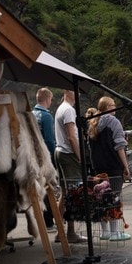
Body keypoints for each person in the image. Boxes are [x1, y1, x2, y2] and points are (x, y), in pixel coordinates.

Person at [88, 96, 131, 241]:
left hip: (98, 167)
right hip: (113, 167)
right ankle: (114, 233)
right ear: (107, 108)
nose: (115, 107)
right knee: (114, 198)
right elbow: (119, 147)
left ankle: (104, 232)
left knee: (101, 197)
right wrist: (125, 166)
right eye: (113, 105)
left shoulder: (93, 122)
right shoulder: (114, 122)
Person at [53, 90, 86, 243]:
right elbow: (72, 137)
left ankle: (61, 232)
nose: (78, 93)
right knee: (72, 195)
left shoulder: (61, 108)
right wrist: (80, 157)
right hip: (68, 154)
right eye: (75, 90)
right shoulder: (68, 110)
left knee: (65, 194)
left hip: (60, 152)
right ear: (67, 92)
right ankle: (71, 233)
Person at [32, 87, 58, 232]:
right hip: (44, 158)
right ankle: (48, 222)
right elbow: (49, 140)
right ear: (48, 99)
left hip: (32, 158)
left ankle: (39, 221)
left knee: (37, 190)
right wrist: (53, 159)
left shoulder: (30, 114)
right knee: (48, 189)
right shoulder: (46, 116)